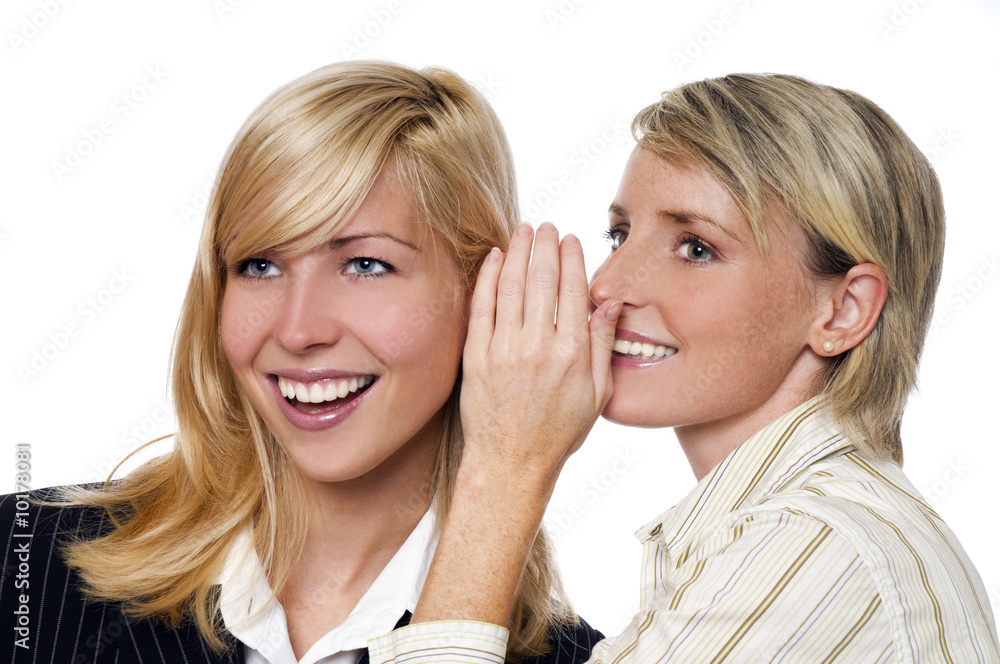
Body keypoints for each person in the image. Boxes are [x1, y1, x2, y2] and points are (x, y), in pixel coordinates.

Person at [369, 74, 1000, 662]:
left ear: (842, 311)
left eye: (695, 248)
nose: (607, 284)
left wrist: (505, 466)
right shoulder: (795, 532)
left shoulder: (807, 549)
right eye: (620, 235)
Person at [0, 61, 602, 664]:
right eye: (259, 265)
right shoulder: (22, 559)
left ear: (485, 292)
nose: (297, 329)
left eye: (366, 265)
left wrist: (505, 475)